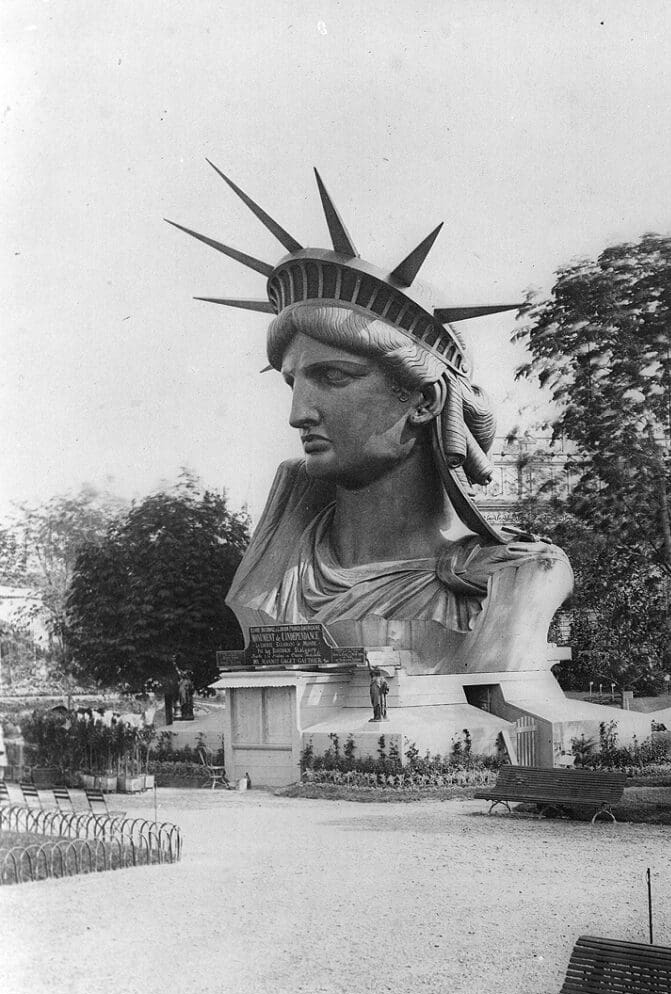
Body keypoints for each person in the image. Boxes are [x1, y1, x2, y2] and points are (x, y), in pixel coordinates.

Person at [172, 167, 572, 675]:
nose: (298, 414)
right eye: (292, 382)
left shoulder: (506, 578)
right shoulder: (275, 570)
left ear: (423, 401)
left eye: (333, 377)